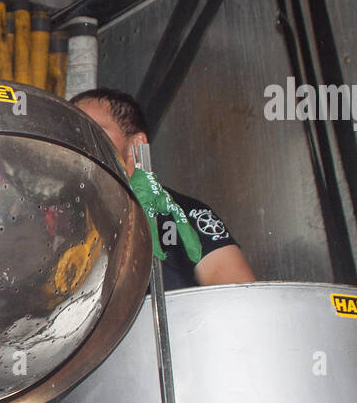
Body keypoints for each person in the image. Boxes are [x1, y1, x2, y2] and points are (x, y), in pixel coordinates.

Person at [72, 88, 255, 289]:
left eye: (94, 131)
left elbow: (239, 301)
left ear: (136, 145)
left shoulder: (180, 217)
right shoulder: (67, 225)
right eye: (72, 133)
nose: (79, 142)